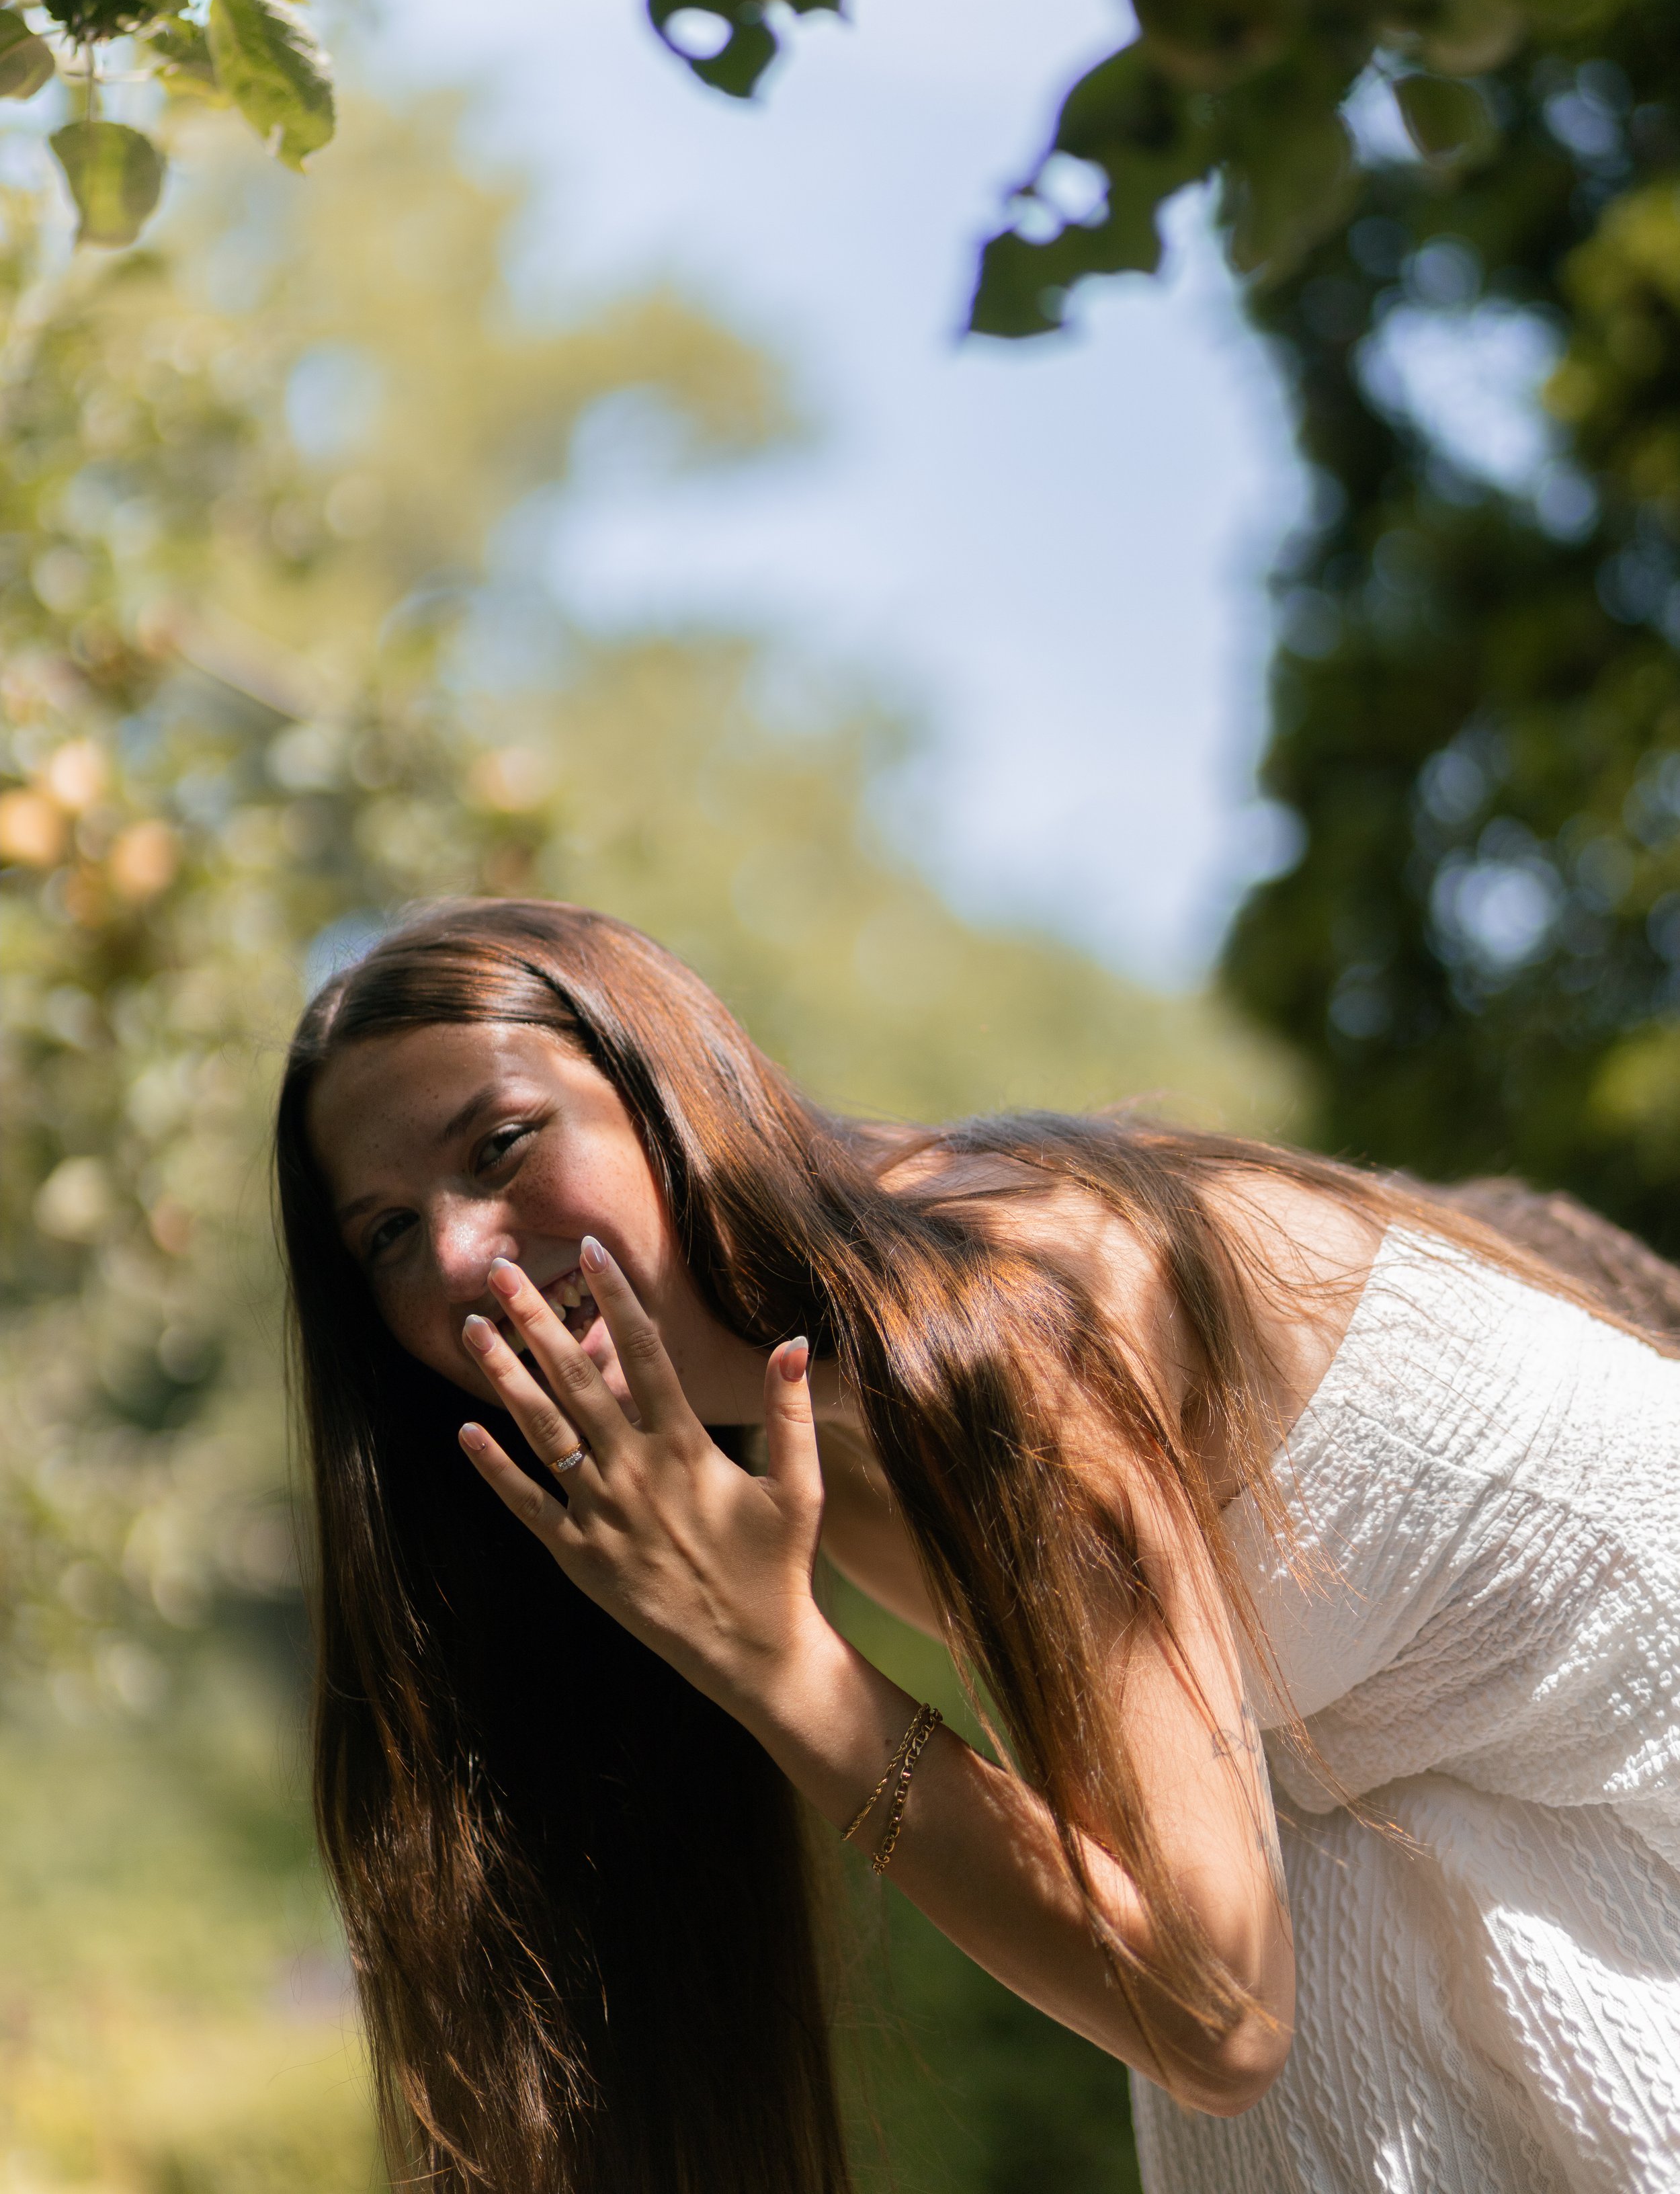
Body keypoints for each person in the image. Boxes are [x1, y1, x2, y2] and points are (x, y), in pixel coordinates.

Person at [276, 896, 1680, 2194]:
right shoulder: (791, 1443)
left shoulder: (989, 1321)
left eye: (500, 1145)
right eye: (390, 1232)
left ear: (661, 1094)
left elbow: (1216, 2016)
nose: (464, 1256)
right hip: (1470, 1830)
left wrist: (785, 1672)